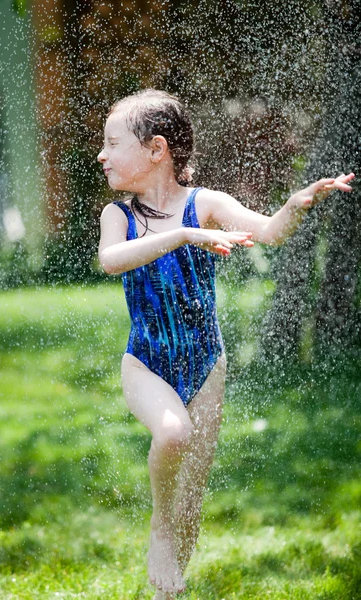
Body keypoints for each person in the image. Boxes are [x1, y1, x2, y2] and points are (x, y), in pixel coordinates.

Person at [97, 89, 354, 599]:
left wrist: (294, 205)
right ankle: (159, 530)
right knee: (172, 434)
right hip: (145, 363)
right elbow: (113, 260)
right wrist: (183, 238)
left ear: (157, 150)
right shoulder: (118, 216)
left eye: (112, 143)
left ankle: (170, 591)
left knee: (191, 501)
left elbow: (269, 233)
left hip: (206, 366)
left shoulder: (204, 204)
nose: (102, 155)